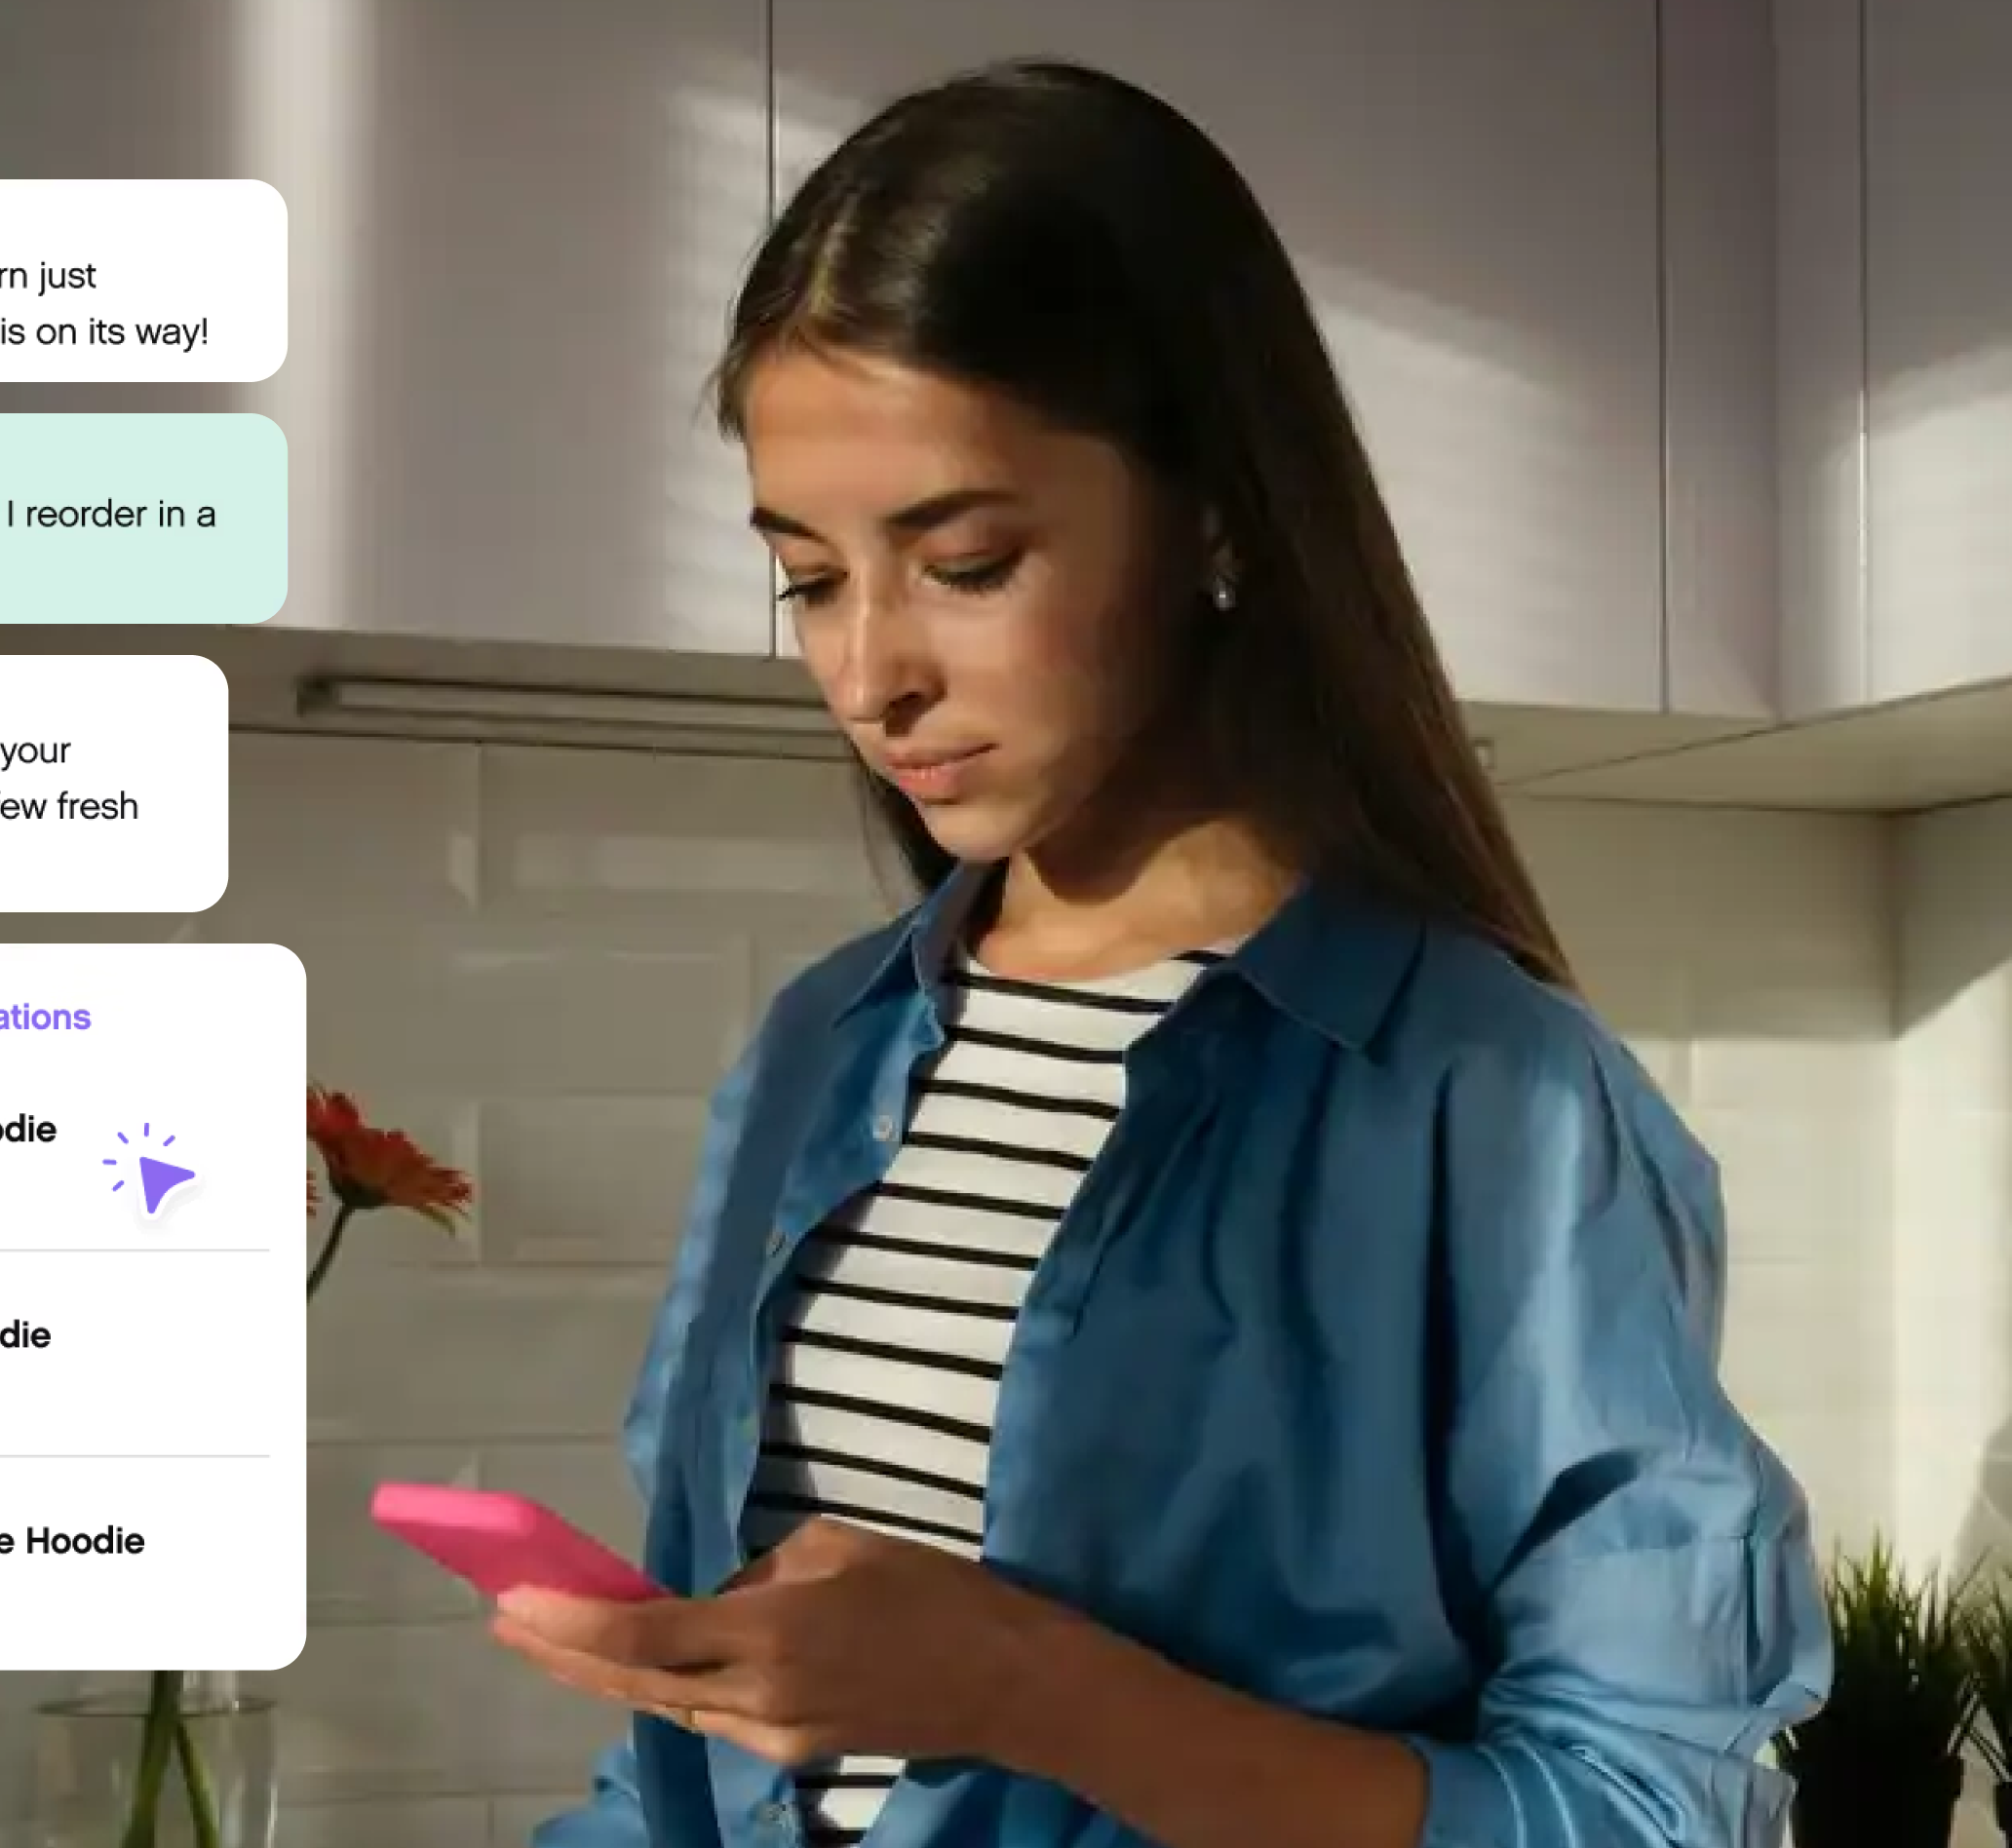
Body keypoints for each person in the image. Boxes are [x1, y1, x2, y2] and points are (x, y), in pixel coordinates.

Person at [496, 58, 1831, 1848]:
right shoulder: (821, 1044)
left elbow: (1642, 1806)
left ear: (1213, 517)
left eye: (962, 561)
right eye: (809, 577)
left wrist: (1027, 1691)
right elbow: (687, 1776)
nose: (866, 670)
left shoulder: (1479, 1095)